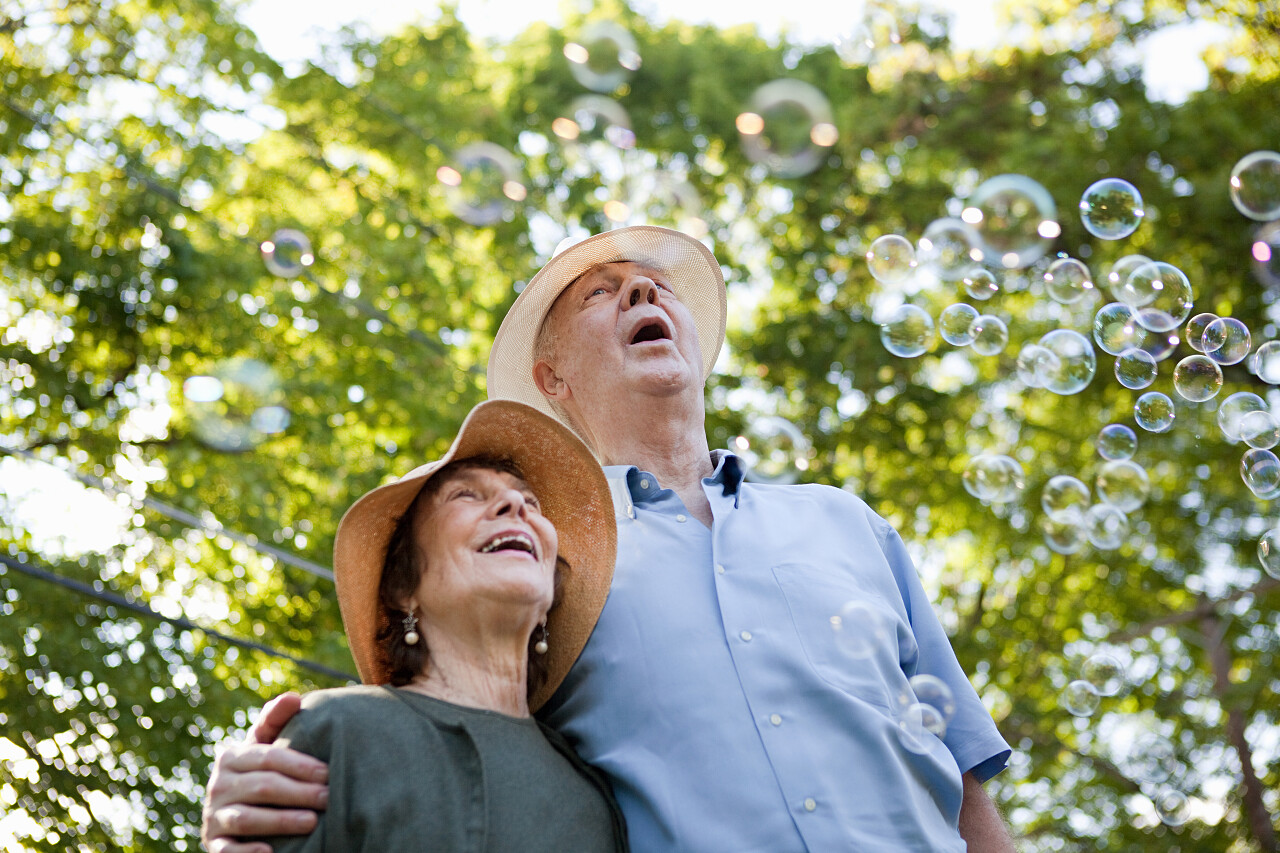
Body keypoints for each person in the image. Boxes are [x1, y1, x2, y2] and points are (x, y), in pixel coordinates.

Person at [203, 225, 1017, 852]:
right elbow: (468, 723)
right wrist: (299, 769)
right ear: (552, 379)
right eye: (602, 294)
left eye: (658, 287)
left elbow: (963, 776)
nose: (641, 296)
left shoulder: (847, 522)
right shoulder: (547, 568)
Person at [239, 399, 626, 852]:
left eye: (531, 500)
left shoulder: (591, 799)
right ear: (403, 588)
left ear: (547, 607)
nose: (514, 504)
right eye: (466, 494)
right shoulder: (334, 733)